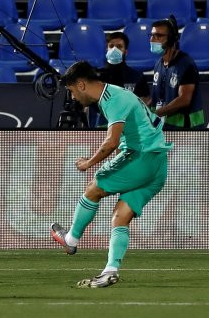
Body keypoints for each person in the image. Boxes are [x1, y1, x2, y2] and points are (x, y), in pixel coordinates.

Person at [50, 61, 173, 288]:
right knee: (120, 217)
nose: (74, 98)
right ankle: (110, 270)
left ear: (82, 84)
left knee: (93, 188)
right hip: (157, 165)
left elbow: (111, 142)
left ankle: (71, 239)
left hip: (141, 158)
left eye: (72, 91)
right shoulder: (116, 95)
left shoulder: (113, 99)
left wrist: (89, 162)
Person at [149, 16, 205, 129]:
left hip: (188, 130)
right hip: (166, 128)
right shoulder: (158, 64)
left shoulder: (186, 64)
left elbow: (184, 99)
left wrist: (157, 114)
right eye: (152, 35)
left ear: (171, 39)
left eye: (158, 36)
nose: (152, 39)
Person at [91, 31, 151, 127]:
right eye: (111, 46)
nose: (114, 49)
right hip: (103, 125)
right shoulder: (97, 77)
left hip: (130, 126)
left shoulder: (137, 76)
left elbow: (145, 102)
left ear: (126, 52)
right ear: (107, 49)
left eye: (119, 46)